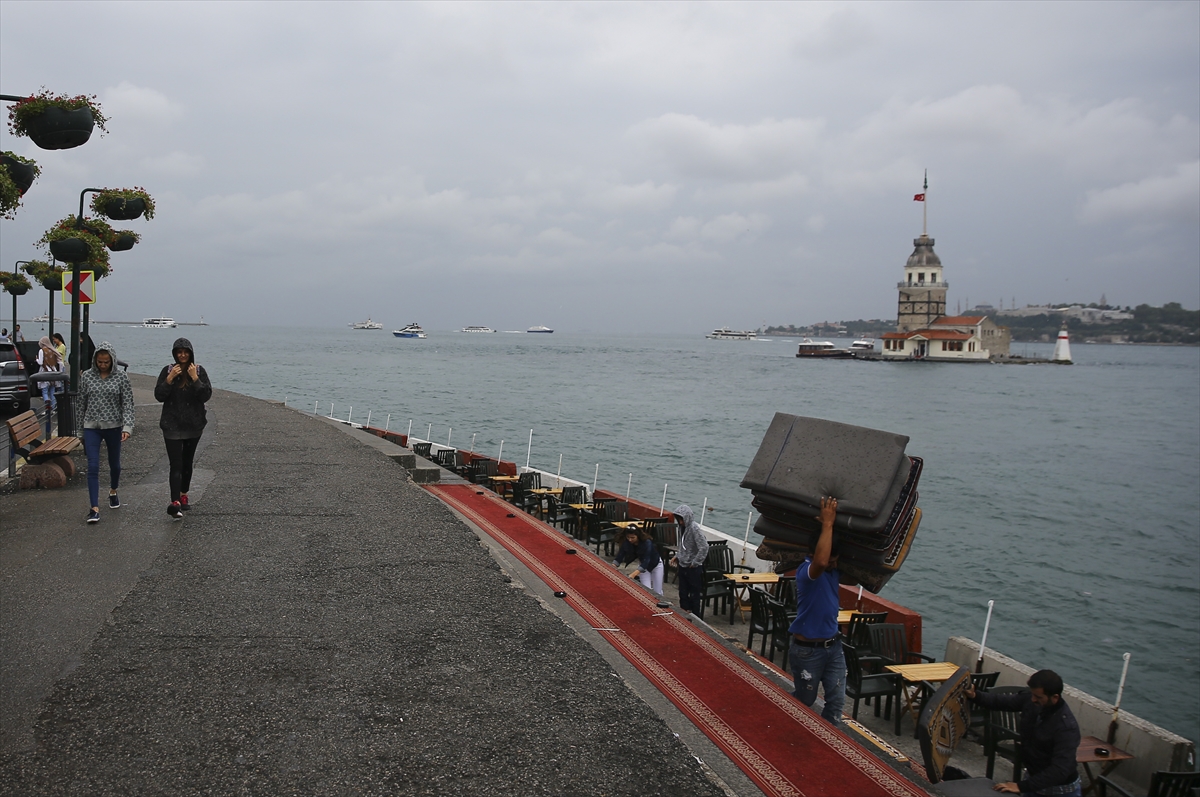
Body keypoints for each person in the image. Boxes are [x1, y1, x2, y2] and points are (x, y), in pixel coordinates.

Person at [966, 670, 1082, 796]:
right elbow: (1002, 701)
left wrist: (1020, 786)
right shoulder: (1032, 701)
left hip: (1060, 791)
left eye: (1039, 697)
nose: (1033, 699)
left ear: (1055, 698)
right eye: (1032, 694)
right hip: (1033, 781)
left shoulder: (1066, 728)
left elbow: (1060, 770)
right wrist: (975, 696)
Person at [788, 496, 845, 726]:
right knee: (806, 700)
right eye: (830, 560)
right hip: (807, 651)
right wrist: (827, 523)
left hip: (834, 646)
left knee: (837, 701)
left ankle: (830, 739)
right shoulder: (806, 572)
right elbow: (821, 562)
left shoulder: (834, 572)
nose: (831, 564)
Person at [154, 337, 211, 520]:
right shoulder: (168, 370)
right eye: (179, 352)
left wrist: (195, 379)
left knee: (187, 462)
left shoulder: (199, 371)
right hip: (171, 425)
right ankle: (175, 502)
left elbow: (205, 395)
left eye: (186, 352)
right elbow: (159, 395)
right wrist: (169, 379)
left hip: (193, 426)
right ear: (174, 354)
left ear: (191, 353)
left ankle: (184, 493)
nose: (183, 355)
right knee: (176, 464)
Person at [77, 342, 134, 524]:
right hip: (91, 426)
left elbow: (127, 404)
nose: (102, 365)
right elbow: (80, 404)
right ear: (95, 360)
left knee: (114, 465)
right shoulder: (87, 376)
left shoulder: (121, 377)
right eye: (100, 362)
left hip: (113, 426)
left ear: (112, 360)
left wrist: (127, 427)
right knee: (93, 466)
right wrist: (80, 431)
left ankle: (113, 490)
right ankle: (94, 508)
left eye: (106, 362)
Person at [669, 504, 709, 614]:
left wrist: (695, 562)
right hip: (683, 565)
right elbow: (682, 545)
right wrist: (678, 556)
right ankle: (684, 613)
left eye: (682, 519)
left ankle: (695, 616)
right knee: (683, 593)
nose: (680, 522)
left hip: (692, 568)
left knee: (694, 594)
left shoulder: (694, 529)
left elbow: (704, 547)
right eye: (679, 520)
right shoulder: (681, 528)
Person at [612, 525, 664, 595]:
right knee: (646, 591)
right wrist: (612, 566)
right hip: (643, 566)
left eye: (632, 537)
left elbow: (647, 560)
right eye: (628, 537)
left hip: (656, 565)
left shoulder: (647, 542)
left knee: (658, 592)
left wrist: (633, 575)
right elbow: (620, 556)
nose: (630, 540)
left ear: (638, 536)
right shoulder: (627, 543)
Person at [35, 336, 62, 411]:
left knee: (45, 391)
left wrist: (36, 359)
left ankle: (47, 407)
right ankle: (53, 408)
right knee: (52, 391)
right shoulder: (52, 350)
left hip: (45, 372)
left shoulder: (41, 351)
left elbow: (41, 362)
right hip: (53, 371)